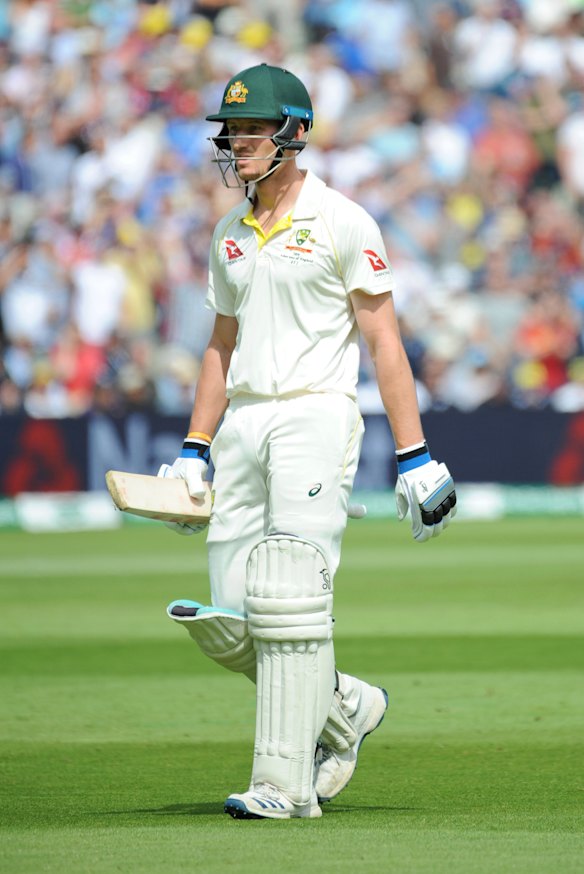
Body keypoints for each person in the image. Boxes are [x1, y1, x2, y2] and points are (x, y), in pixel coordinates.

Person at [159, 63, 457, 820]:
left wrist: (416, 454)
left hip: (317, 416)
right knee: (230, 620)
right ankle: (346, 707)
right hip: (243, 424)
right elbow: (219, 348)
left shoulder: (343, 220)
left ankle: (283, 788)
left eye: (253, 131)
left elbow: (385, 342)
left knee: (289, 600)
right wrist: (196, 444)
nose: (237, 145)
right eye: (231, 133)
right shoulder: (229, 233)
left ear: (294, 133)